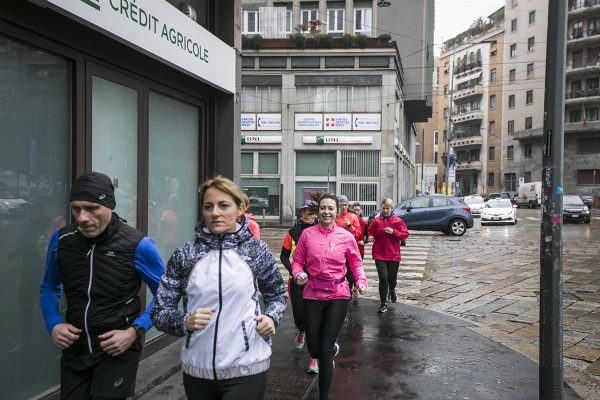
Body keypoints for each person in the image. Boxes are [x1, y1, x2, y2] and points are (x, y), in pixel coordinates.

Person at [151, 176, 287, 400]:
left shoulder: (256, 251)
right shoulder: (186, 254)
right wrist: (184, 321)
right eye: (208, 206)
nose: (215, 212)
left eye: (223, 205)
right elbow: (160, 311)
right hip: (198, 369)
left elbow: (277, 295)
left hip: (247, 365)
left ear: (240, 208)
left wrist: (271, 318)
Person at [39, 171, 166, 400]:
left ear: (109, 205)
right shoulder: (62, 240)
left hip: (117, 349)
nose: (82, 217)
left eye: (91, 208)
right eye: (76, 209)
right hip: (76, 349)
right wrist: (54, 323)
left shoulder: (139, 245)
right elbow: (49, 286)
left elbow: (166, 294)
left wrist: (134, 331)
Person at [292, 192, 367, 400]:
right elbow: (297, 261)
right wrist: (298, 273)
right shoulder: (308, 235)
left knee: (324, 350)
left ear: (337, 211)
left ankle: (323, 396)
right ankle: (326, 347)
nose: (326, 212)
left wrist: (360, 281)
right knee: (314, 348)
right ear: (318, 211)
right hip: (312, 293)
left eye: (330, 208)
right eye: (323, 208)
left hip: (338, 294)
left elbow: (356, 263)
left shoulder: (346, 237)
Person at [279, 199, 318, 354]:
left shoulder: (321, 230)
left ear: (316, 214)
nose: (306, 214)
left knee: (315, 311)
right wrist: (294, 272)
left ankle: (315, 345)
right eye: (304, 211)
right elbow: (283, 256)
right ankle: (302, 331)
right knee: (299, 312)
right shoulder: (292, 232)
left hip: (317, 279)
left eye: (310, 212)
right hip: (297, 279)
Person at [367, 198, 409, 314]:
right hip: (379, 254)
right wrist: (370, 237)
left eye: (388, 208)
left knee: (392, 279)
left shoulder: (397, 221)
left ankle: (392, 290)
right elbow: (370, 232)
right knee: (383, 278)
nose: (385, 210)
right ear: (381, 207)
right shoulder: (377, 221)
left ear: (392, 208)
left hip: (393, 254)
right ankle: (382, 303)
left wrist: (394, 232)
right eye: (383, 208)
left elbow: (405, 234)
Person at [335, 195, 362, 292]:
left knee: (350, 272)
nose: (343, 207)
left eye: (345, 205)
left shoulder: (353, 216)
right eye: (341, 205)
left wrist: (350, 226)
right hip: (337, 248)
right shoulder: (335, 217)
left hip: (350, 248)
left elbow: (359, 233)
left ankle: (350, 289)